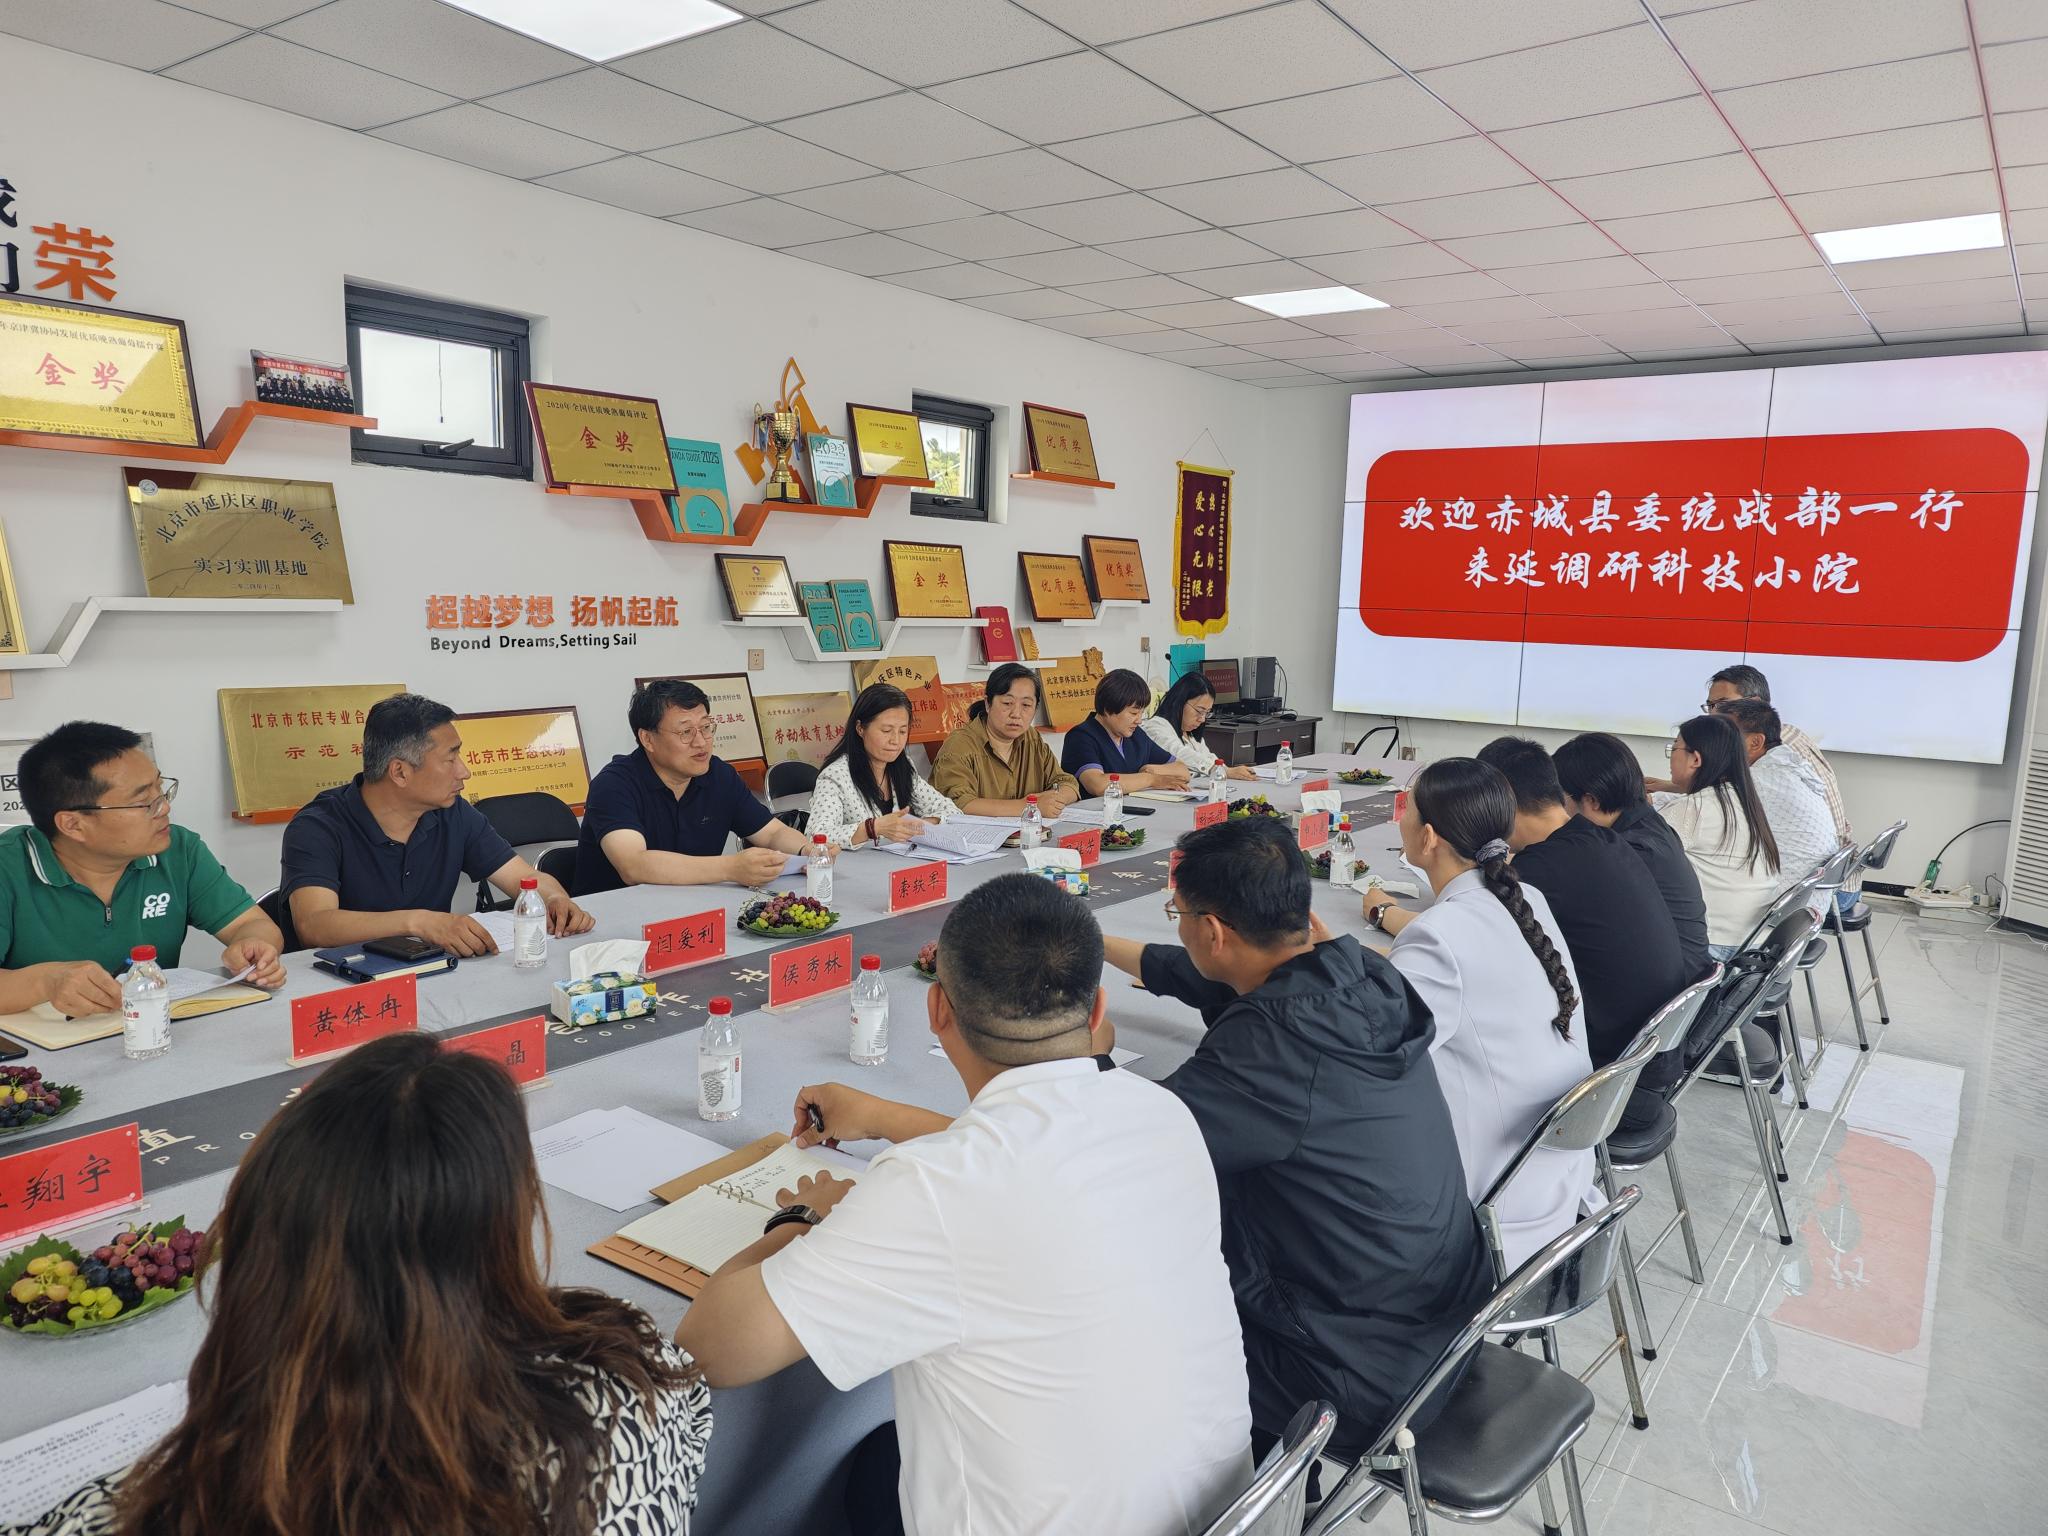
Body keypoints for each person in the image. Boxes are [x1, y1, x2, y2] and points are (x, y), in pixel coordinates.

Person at [679, 875, 1252, 1536]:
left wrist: (801, 1218)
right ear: (1098, 1011)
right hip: (1229, 1515)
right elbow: (1030, 1166)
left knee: (841, 1479)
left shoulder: (932, 1190)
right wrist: (885, 1117)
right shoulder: (1164, 1113)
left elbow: (707, 1350)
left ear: (937, 1010)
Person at [7, 1032, 712, 1536]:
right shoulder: (627, 1380)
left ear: (258, 1255)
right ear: (502, 1225)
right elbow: (697, 1413)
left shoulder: (169, 1505)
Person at [1101, 816, 1491, 1460]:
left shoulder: (1270, 1047)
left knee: (1119, 1291)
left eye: (1179, 914)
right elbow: (1209, 974)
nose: (1178, 926)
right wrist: (1088, 941)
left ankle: (1247, 1488)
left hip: (1349, 1373)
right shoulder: (1361, 974)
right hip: (1440, 1320)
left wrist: (1093, 1057)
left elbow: (1128, 1147)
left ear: (1212, 930)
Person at [1354, 757, 1592, 1267]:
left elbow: (1368, 1057)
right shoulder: (1525, 899)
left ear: (1428, 837)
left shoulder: (1440, 934)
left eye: (1407, 810)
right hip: (1553, 1186)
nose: (1401, 819)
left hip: (1489, 1211)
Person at [0, 722, 286, 1017]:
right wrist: (45, 983)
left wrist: (254, 945)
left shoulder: (178, 851)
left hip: (152, 1030)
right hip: (42, 1042)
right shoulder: (8, 867)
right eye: (143, 802)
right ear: (73, 824)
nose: (164, 808)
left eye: (160, 790)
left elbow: (251, 924)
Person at [284, 693, 594, 955]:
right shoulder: (318, 826)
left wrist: (554, 899)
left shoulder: (452, 812)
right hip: (346, 983)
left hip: (433, 971)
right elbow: (314, 925)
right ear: (400, 772)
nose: (464, 771)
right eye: (450, 759)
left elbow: (523, 878)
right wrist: (418, 922)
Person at [1473, 737, 1690, 1074]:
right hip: (1651, 1052)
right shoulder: (1602, 839)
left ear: (1501, 801)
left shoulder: (1541, 870)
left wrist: (1387, 911)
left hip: (1607, 1068)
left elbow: (1466, 941)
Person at [574, 679, 811, 895]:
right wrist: (730, 868)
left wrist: (809, 851)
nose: (701, 742)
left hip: (695, 907)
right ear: (648, 739)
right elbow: (634, 866)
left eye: (706, 727)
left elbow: (771, 833)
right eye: (686, 732)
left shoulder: (719, 776)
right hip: (613, 916)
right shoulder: (614, 785)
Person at [1553, 732, 1711, 982]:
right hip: (1686, 979)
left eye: (1563, 799)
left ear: (1591, 800)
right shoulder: (1651, 824)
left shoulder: (1625, 851)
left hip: (1665, 990)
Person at [1661, 713, 1780, 959]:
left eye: (1674, 749)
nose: (1670, 757)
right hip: (1752, 942)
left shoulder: (1694, 809)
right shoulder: (1741, 799)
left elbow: (1632, 862)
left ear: (1695, 759)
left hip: (1716, 947)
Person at [1712, 697, 1844, 900]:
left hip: (1784, 901)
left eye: (1723, 737)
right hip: (1809, 900)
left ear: (1755, 742)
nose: (1714, 744)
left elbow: (1700, 804)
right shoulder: (1785, 764)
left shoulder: (1760, 779)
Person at [804, 685, 961, 849]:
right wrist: (872, 828)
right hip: (855, 864)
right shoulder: (835, 776)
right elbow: (816, 837)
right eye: (886, 731)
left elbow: (951, 810)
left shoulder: (903, 766)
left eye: (902, 731)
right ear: (860, 728)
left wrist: (919, 825)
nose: (895, 741)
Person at [930, 663, 1081, 818]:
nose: (1016, 714)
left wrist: (1054, 801)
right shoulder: (959, 746)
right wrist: (1030, 806)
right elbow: (958, 804)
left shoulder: (1031, 738)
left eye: (1026, 705)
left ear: (1035, 709)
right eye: (1007, 703)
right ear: (988, 704)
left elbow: (1067, 783)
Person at [1058, 669, 1193, 796]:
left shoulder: (1136, 735)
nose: (1139, 720)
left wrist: (1152, 770)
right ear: (1107, 708)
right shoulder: (1081, 737)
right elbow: (1098, 784)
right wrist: (1150, 779)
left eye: (1141, 713)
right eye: (1133, 713)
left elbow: (1183, 771)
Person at [1139, 671, 1258, 781]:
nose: (1202, 719)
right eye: (1199, 711)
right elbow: (1179, 752)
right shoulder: (1156, 727)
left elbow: (1207, 757)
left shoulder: (1189, 733)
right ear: (1179, 702)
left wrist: (1227, 770)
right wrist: (1221, 771)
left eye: (1207, 712)